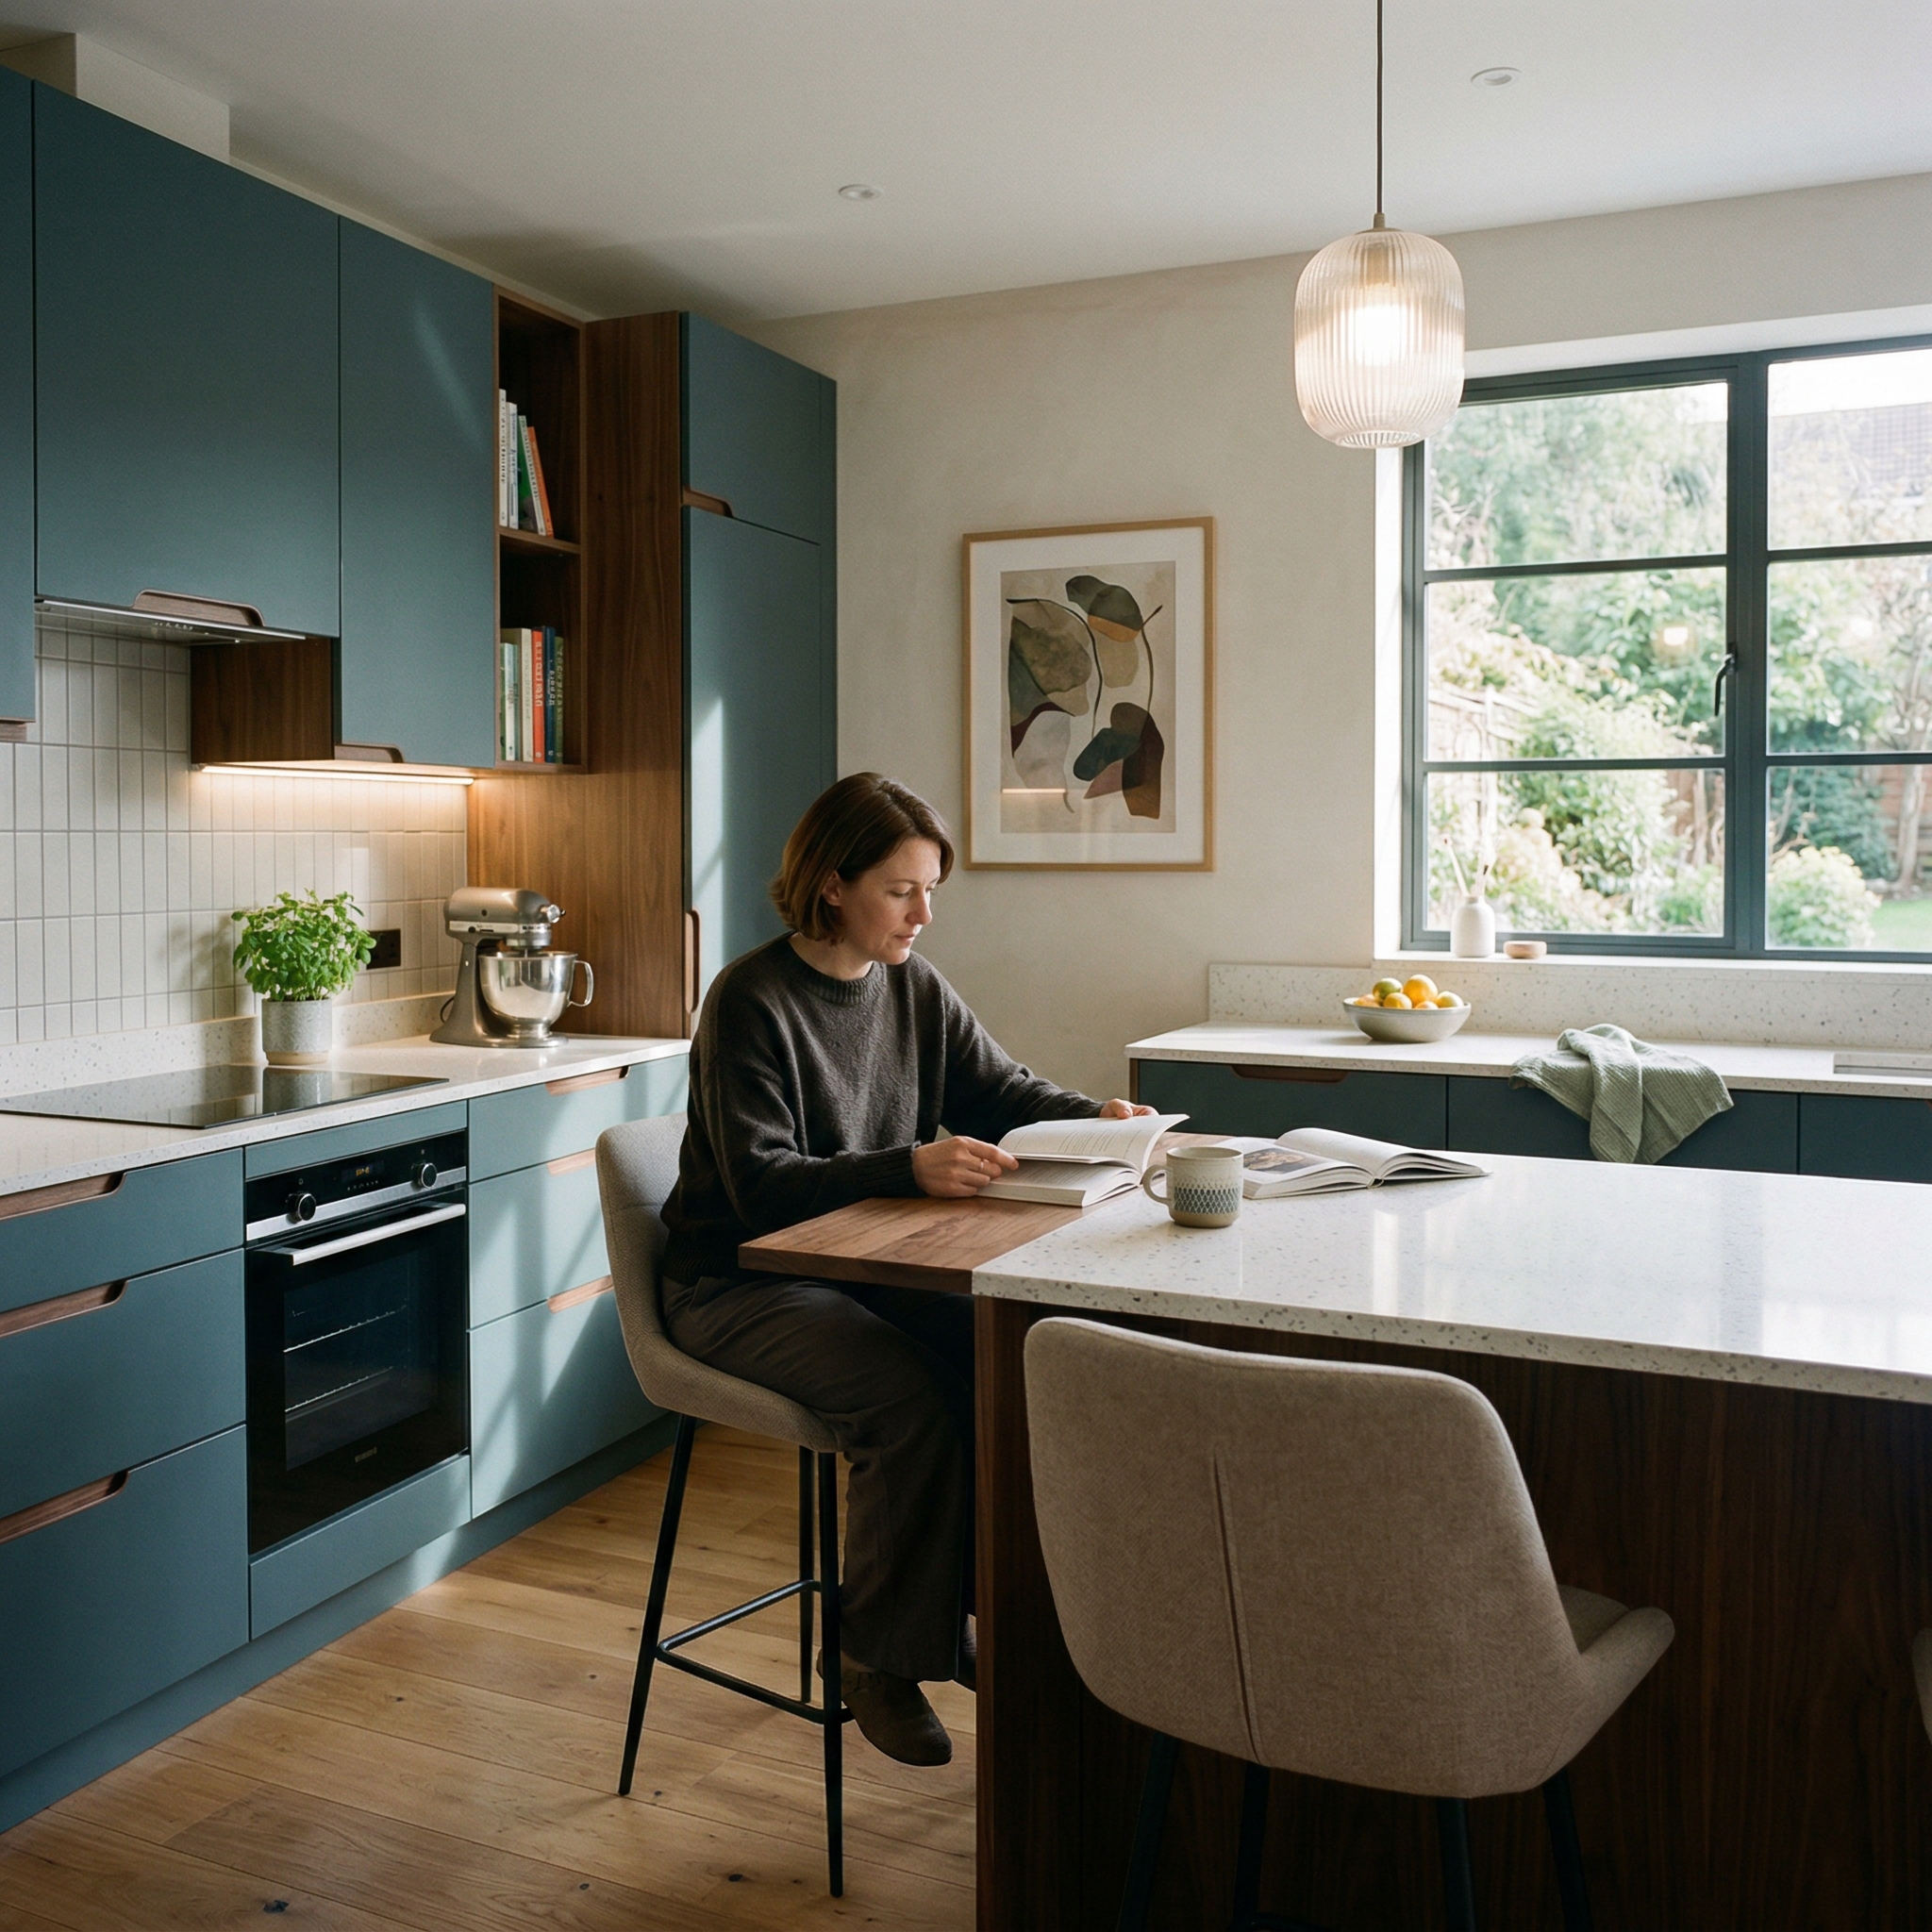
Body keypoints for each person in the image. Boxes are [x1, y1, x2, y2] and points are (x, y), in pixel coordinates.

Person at [658, 772, 1152, 1766]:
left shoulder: (910, 983)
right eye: (901, 890)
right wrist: (907, 1166)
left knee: (1008, 1362)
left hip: (856, 1269)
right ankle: (876, 1658)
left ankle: (949, 1610)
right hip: (733, 1283)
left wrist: (1090, 1113)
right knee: (907, 1398)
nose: (923, 914)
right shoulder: (751, 999)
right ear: (831, 884)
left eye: (931, 889)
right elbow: (757, 1186)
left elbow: (998, 1086)